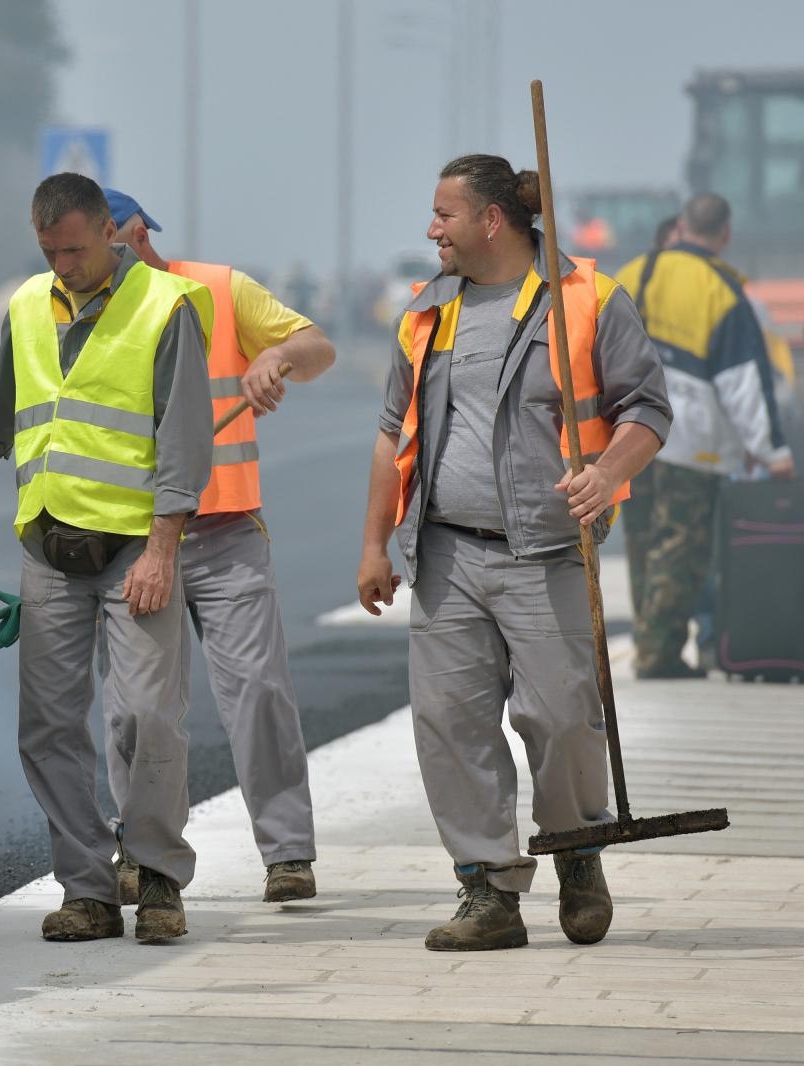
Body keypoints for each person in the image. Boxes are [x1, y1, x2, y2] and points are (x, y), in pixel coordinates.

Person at [357, 155, 672, 951]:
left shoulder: (587, 299)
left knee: (562, 718)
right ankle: (488, 891)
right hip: (446, 554)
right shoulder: (427, 311)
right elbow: (393, 433)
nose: (432, 229)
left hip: (549, 550)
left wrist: (609, 473)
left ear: (491, 220)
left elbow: (647, 409)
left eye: (445, 215)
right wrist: (374, 544)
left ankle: (577, 852)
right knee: (450, 724)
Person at [0, 173, 213, 943]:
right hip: (49, 548)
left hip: (133, 552)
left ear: (109, 233)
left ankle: (156, 877)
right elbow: (2, 415)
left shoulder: (164, 307)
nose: (63, 265)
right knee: (49, 728)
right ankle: (87, 888)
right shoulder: (27, 305)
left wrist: (162, 550)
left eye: (76, 250)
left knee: (147, 717)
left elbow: (185, 441)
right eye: (50, 251)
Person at [100, 187, 336, 904]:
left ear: (133, 236)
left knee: (258, 690)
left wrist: (278, 359)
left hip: (226, 532)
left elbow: (318, 347)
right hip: (135, 543)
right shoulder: (81, 314)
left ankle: (287, 852)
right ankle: (140, 851)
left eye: (105, 247)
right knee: (137, 709)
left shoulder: (218, 291)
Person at [615, 194, 794, 679]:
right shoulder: (721, 289)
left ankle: (650, 640)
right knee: (681, 548)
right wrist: (771, 451)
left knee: (642, 542)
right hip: (691, 443)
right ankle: (658, 652)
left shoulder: (632, 274)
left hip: (627, 437)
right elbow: (743, 382)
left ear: (680, 225)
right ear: (725, 233)